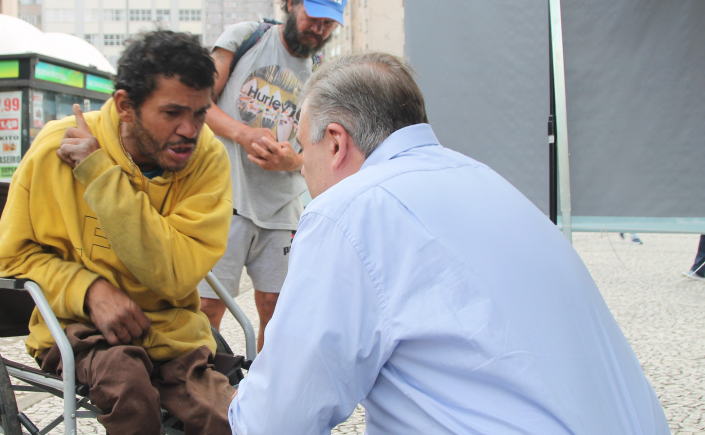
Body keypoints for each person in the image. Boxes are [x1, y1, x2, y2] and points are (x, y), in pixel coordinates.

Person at [229, 52, 669, 434]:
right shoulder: (486, 181)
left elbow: (276, 420)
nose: (302, 168)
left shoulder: (350, 209)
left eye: (305, 149)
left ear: (337, 142)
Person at [0, 30, 236, 434]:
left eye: (199, 113)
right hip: (77, 328)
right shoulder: (55, 146)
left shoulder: (207, 159)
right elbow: (14, 257)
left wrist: (101, 175)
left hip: (170, 330)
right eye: (172, 113)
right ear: (125, 106)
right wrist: (90, 292)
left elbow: (176, 272)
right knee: (130, 391)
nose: (190, 130)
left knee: (229, 417)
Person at [198, 0, 347, 351]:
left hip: (282, 206)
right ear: (290, 4)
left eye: (328, 22)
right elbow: (199, 104)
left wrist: (292, 162)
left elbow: (326, 148)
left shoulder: (324, 74)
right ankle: (196, 394)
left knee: (277, 309)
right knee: (208, 305)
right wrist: (243, 133)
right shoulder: (245, 37)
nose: (318, 28)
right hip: (224, 197)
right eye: (312, 16)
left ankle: (264, 398)